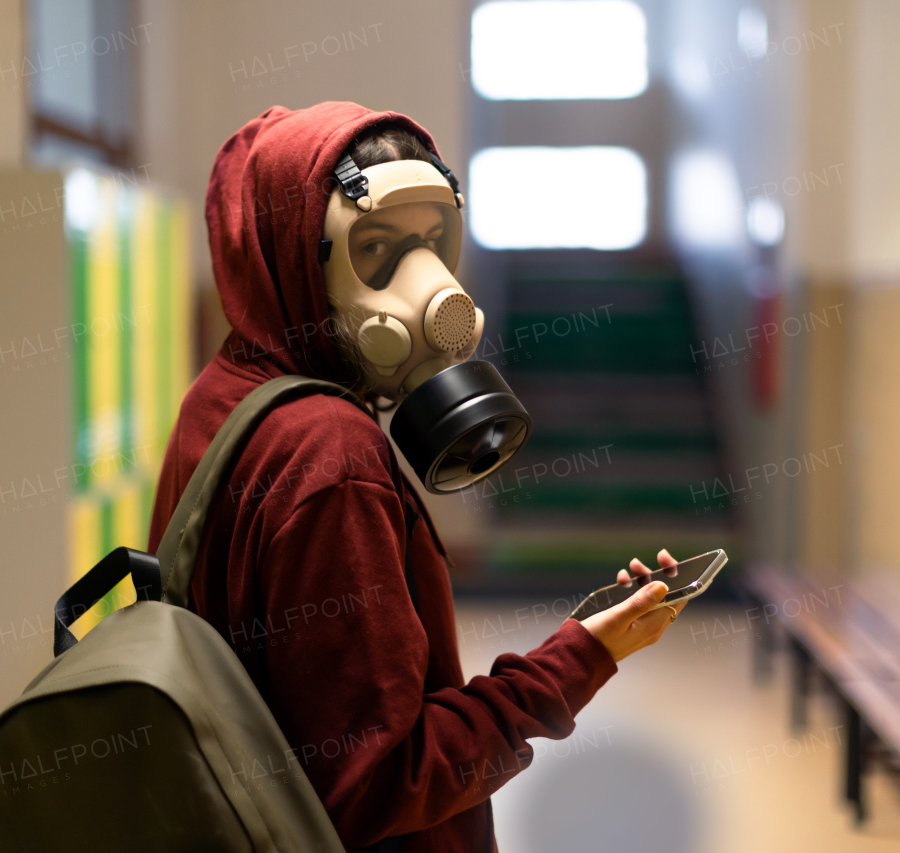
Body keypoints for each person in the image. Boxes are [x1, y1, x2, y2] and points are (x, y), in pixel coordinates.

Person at [147, 101, 687, 853]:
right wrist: (576, 660)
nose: (432, 292)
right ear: (296, 256)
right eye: (378, 247)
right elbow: (376, 784)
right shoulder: (332, 454)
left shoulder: (222, 394)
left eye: (434, 241)